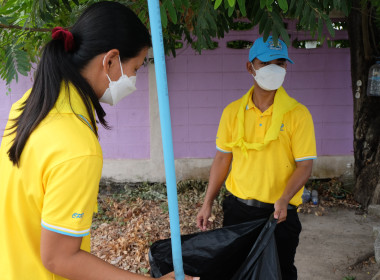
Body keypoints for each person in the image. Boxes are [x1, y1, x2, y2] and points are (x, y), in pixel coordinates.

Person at [0, 2, 197, 280]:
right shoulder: (77, 147)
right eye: (136, 68)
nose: (133, 79)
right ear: (111, 60)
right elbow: (59, 257)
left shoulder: (30, 104)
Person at [196, 36, 317, 280]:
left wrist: (284, 199)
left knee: (280, 272)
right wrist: (208, 201)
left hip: (280, 215)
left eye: (280, 63)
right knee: (236, 271)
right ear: (250, 67)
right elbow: (222, 159)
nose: (274, 69)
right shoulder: (232, 112)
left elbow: (305, 165)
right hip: (238, 212)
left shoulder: (297, 114)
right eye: (267, 63)